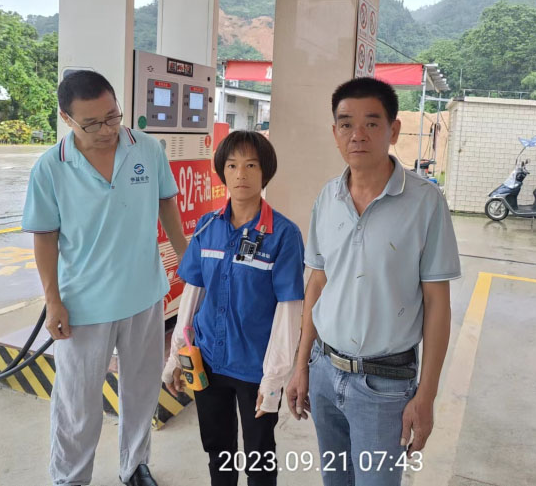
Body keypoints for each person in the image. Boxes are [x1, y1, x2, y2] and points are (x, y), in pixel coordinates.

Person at [286, 77, 461, 486]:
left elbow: (438, 304)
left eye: (371, 123)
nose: (357, 135)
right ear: (334, 132)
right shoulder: (327, 198)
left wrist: (427, 396)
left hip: (385, 386)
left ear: (393, 130)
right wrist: (300, 365)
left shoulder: (425, 202)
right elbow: (317, 284)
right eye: (346, 124)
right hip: (324, 372)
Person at [24, 70, 187, 486]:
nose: (107, 129)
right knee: (76, 403)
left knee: (141, 391)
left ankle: (134, 466)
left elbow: (166, 202)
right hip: (83, 305)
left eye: (112, 116)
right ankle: (71, 477)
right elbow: (45, 237)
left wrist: (185, 254)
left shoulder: (146, 148)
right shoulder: (51, 167)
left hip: (144, 294)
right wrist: (53, 300)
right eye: (92, 123)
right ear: (66, 118)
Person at [162, 130, 305, 486]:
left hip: (254, 367)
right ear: (222, 172)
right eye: (232, 165)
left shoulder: (283, 234)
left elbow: (289, 311)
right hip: (208, 360)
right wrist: (177, 356)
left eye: (251, 165)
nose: (241, 174)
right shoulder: (208, 227)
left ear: (265, 172)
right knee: (218, 451)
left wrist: (274, 379)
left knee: (259, 455)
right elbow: (193, 295)